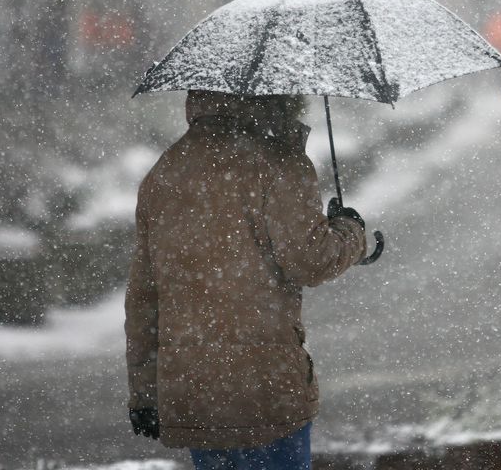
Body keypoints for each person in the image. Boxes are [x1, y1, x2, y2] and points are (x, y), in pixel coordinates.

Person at [125, 90, 367, 470]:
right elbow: (311, 260)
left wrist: (144, 393)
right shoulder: (280, 164)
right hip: (266, 389)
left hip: (195, 392)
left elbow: (144, 297)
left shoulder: (166, 171)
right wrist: (350, 230)